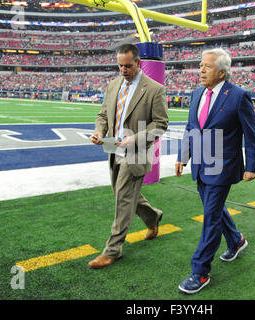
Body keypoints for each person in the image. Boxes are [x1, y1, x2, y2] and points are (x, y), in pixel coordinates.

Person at [175, 48, 255, 294]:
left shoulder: (239, 96)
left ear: (222, 73)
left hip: (223, 166)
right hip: (201, 164)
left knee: (210, 217)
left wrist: (252, 166)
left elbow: (250, 134)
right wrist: (183, 156)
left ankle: (200, 272)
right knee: (213, 209)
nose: (201, 70)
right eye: (200, 65)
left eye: (207, 67)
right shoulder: (197, 93)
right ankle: (236, 240)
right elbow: (191, 127)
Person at [88, 44, 169, 268]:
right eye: (120, 66)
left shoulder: (154, 89)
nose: (123, 70)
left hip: (136, 151)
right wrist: (99, 131)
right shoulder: (113, 85)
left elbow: (160, 125)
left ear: (139, 63)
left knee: (124, 199)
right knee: (123, 194)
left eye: (128, 66)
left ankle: (113, 250)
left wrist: (135, 138)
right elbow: (103, 114)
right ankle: (153, 217)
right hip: (114, 148)